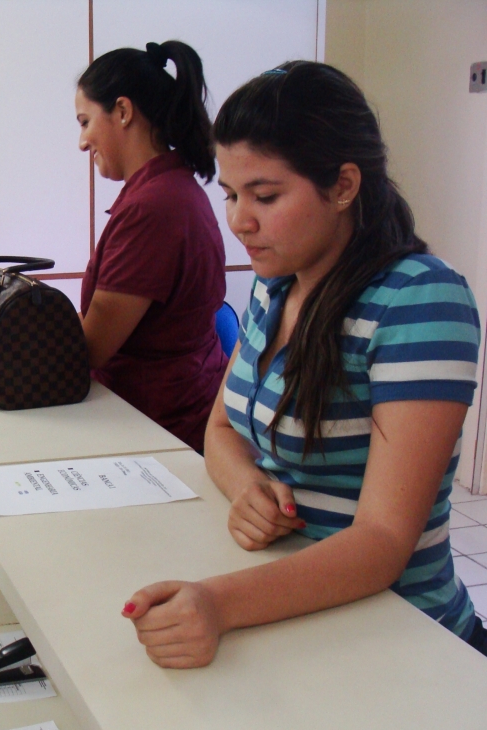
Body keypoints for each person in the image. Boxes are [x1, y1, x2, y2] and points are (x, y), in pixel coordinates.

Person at [121, 61, 486, 668]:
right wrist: (247, 490)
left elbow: (382, 542)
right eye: (232, 195)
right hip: (294, 606)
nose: (239, 220)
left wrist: (216, 603)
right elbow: (220, 431)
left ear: (344, 185)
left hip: (403, 638)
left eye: (265, 196)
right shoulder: (275, 283)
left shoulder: (421, 301)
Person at [76, 41, 228, 453]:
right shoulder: (169, 189)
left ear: (123, 112)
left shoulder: (154, 207)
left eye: (86, 122)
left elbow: (91, 347)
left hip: (158, 429)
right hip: (167, 412)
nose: (82, 141)